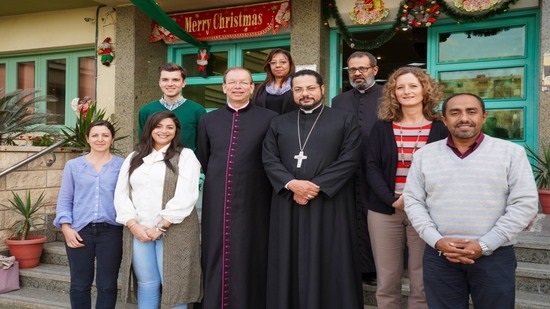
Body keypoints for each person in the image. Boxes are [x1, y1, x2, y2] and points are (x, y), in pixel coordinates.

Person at [404, 93, 538, 308]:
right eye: (455, 113)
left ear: (484, 117)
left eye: (471, 111)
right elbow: (413, 201)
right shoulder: (424, 155)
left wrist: (485, 244)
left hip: (494, 256)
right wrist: (436, 240)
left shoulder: (512, 153)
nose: (464, 118)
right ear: (444, 120)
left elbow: (524, 204)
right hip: (440, 256)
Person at [262, 69, 363, 309]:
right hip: (288, 201)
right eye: (298, 89)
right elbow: (269, 158)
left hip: (330, 203)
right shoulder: (279, 122)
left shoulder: (344, 120)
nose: (304, 94)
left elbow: (350, 158)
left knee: (330, 257)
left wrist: (315, 187)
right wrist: (292, 184)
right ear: (292, 92)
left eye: (310, 88)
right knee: (288, 259)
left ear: (322, 89)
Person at [366, 66, 449, 308]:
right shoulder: (382, 127)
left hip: (426, 212)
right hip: (385, 210)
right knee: (387, 279)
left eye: (413, 85)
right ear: (393, 92)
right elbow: (371, 167)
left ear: (425, 89)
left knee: (421, 278)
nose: (407, 91)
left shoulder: (441, 128)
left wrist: (416, 201)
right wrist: (392, 199)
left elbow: (448, 170)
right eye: (400, 87)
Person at [197, 67, 277, 309]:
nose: (238, 86)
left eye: (244, 82)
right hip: (217, 197)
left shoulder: (270, 118)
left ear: (252, 88)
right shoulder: (208, 120)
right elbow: (204, 156)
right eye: (232, 82)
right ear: (224, 88)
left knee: (251, 249)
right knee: (215, 249)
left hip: (256, 197)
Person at [115, 111, 202, 308]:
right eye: (159, 126)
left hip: (173, 229)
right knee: (147, 284)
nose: (164, 131)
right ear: (150, 128)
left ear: (176, 131)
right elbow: (121, 194)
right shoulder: (134, 157)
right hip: (139, 231)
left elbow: (186, 195)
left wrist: (161, 227)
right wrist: (133, 225)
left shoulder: (186, 156)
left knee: (175, 286)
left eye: (169, 127)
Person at [54, 120, 124, 309]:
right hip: (79, 230)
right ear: (87, 138)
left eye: (105, 135)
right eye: (95, 135)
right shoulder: (73, 166)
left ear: (112, 139)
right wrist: (66, 227)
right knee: (79, 284)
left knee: (107, 285)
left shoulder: (123, 165)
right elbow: (65, 199)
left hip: (111, 231)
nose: (100, 139)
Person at [331, 51, 382, 286]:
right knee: (349, 217)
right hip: (347, 167)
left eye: (362, 68)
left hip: (378, 167)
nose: (357, 73)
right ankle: (350, 265)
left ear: (374, 70)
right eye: (352, 70)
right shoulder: (338, 101)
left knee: (374, 218)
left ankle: (373, 268)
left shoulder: (388, 97)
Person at [138, 63, 206, 151]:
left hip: (187, 163)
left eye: (175, 80)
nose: (170, 84)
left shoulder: (197, 111)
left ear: (184, 83)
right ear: (159, 82)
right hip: (154, 163)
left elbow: (202, 146)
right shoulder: (146, 111)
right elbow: (143, 143)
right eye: (165, 80)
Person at [253, 48, 298, 114]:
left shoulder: (297, 86)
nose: (278, 65)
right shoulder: (260, 88)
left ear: (290, 64)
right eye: (273, 63)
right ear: (269, 66)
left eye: (283, 62)